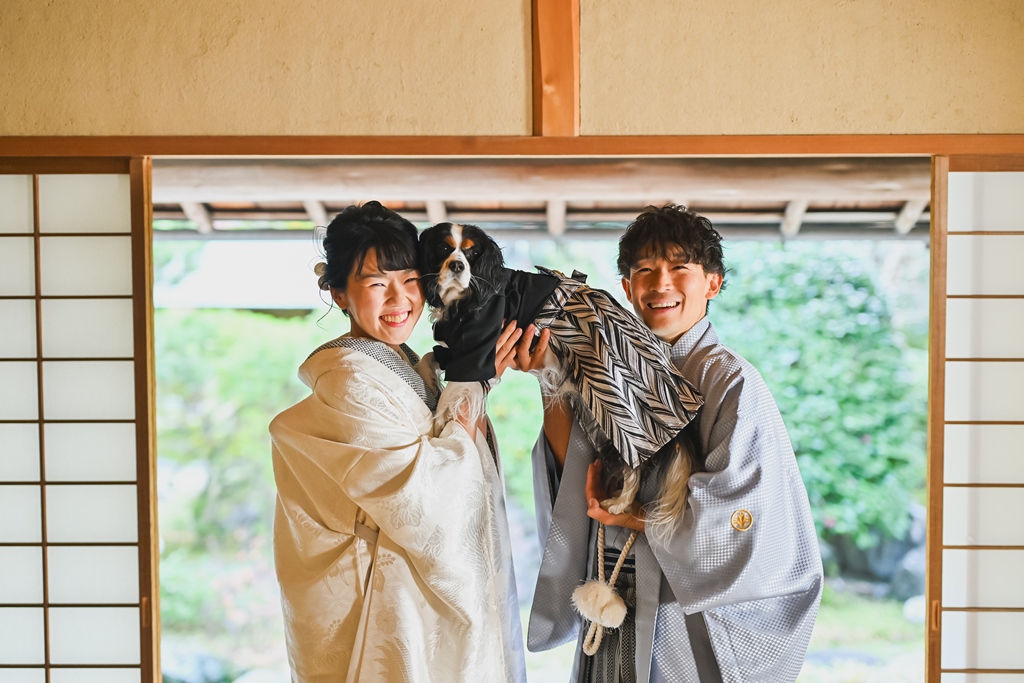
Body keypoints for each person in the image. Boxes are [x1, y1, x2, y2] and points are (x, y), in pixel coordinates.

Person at [521, 204, 823, 682]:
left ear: (713, 283)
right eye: (644, 270)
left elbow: (738, 521)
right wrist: (550, 376)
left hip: (680, 608)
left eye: (679, 268)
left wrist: (629, 516)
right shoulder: (609, 363)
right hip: (610, 582)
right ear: (626, 288)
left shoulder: (733, 383)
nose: (660, 284)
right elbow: (573, 469)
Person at [269, 202, 527, 682]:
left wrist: (473, 381)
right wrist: (473, 382)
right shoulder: (351, 380)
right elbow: (425, 501)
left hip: (410, 593)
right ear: (338, 292)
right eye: (375, 284)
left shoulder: (406, 362)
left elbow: (451, 448)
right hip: (387, 602)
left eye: (409, 280)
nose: (399, 299)